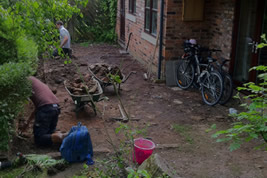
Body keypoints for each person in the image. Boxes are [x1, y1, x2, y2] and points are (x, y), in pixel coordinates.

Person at [23, 76, 66, 147]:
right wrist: (28, 122)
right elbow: (38, 107)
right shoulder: (34, 81)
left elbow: (42, 106)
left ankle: (63, 137)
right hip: (55, 107)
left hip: (47, 109)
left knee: (39, 138)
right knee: (49, 133)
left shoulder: (24, 83)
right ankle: (62, 137)